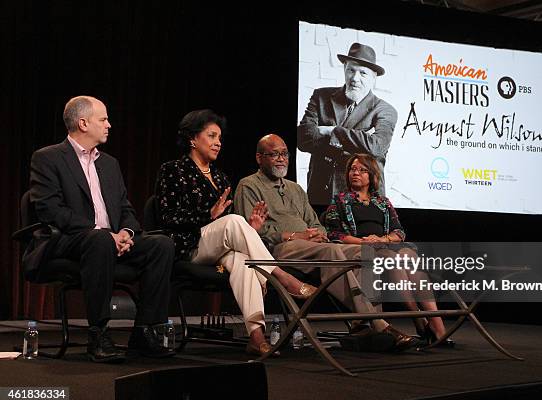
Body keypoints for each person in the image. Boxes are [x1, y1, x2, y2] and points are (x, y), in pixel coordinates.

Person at [234, 134, 419, 351]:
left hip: (313, 246)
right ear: (259, 157)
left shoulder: (295, 188)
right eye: (274, 154)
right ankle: (379, 324)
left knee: (365, 255)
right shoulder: (248, 186)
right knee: (332, 252)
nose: (281, 159)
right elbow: (251, 232)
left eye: (284, 154)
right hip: (280, 249)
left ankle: (362, 328)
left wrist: (318, 234)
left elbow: (315, 222)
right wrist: (295, 236)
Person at [154, 110, 316, 357]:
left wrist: (253, 229)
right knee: (233, 221)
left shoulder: (219, 176)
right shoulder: (173, 170)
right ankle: (281, 276)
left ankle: (256, 336)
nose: (218, 142)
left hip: (219, 248)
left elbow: (228, 231)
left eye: (219, 137)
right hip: (188, 246)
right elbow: (167, 217)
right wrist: (208, 216)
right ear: (192, 139)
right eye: (211, 136)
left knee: (245, 263)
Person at [26, 96, 175, 363]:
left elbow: (125, 209)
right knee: (98, 240)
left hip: (109, 239)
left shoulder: (109, 163)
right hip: (68, 240)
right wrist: (104, 233)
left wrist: (127, 233)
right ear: (83, 123)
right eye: (103, 119)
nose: (109, 124)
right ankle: (98, 333)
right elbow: (49, 210)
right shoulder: (48, 158)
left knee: (161, 244)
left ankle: (144, 331)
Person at [322, 153, 454, 347]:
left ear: (372, 176)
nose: (355, 173)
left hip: (385, 244)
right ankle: (418, 318)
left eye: (362, 170)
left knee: (408, 255)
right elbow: (334, 234)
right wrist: (363, 243)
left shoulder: (383, 202)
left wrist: (382, 239)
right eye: (352, 169)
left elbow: (399, 232)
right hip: (363, 249)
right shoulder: (340, 201)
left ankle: (436, 324)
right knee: (392, 257)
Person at [297, 42, 398, 205]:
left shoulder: (385, 110)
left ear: (374, 78)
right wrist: (360, 141)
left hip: (362, 200)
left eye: (363, 73)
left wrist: (331, 131)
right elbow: (303, 138)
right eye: (351, 70)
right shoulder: (321, 96)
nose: (355, 79)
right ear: (344, 69)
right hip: (319, 193)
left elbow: (377, 147)